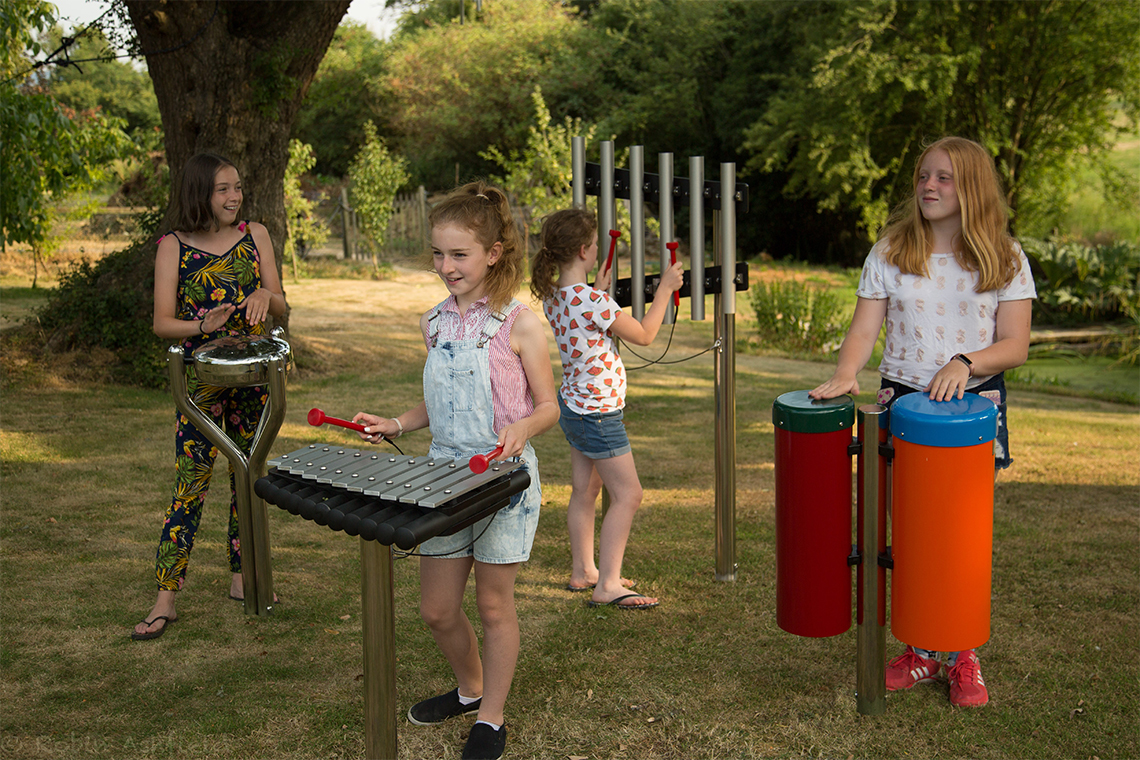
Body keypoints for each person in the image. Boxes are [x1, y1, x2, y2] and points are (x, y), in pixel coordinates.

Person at [809, 136, 1037, 707]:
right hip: (899, 402)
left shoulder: (1005, 257)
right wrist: (845, 373)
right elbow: (864, 331)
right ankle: (919, 652)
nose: (929, 187)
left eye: (946, 178)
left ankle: (961, 655)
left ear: (973, 188)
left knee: (956, 540)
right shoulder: (890, 251)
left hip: (970, 410)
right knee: (904, 533)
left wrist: (965, 362)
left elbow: (1015, 346)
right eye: (924, 176)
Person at [351, 182, 558, 760]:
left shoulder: (520, 324)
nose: (445, 267)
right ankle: (471, 689)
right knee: (437, 610)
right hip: (443, 478)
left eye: (458, 255)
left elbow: (548, 405)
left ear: (493, 253)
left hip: (503, 482)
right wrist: (397, 421)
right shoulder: (434, 322)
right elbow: (440, 402)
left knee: (493, 605)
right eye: (438, 255)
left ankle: (491, 718)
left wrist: (521, 430)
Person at [132, 153, 286, 641]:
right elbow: (161, 323)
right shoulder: (172, 247)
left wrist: (266, 296)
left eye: (237, 187)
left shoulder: (255, 234)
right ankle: (165, 599)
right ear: (200, 193)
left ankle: (244, 579)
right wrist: (202, 324)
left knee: (249, 479)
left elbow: (282, 304)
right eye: (222, 189)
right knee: (191, 485)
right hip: (199, 384)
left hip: (252, 378)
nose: (234, 197)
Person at [530, 208, 683, 610]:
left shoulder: (556, 297)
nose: (599, 248)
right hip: (598, 413)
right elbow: (647, 335)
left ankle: (584, 570)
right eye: (596, 244)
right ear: (584, 250)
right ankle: (609, 584)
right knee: (629, 494)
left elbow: (584, 315)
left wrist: (597, 289)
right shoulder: (593, 302)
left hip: (574, 407)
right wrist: (665, 287)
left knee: (585, 490)